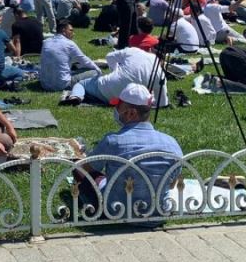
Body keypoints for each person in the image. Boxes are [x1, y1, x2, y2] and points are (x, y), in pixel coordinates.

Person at [76, 84, 182, 219]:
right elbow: (173, 182)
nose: (115, 110)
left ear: (132, 113)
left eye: (119, 106)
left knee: (78, 171)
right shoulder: (171, 143)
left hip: (117, 212)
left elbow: (84, 168)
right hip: (158, 214)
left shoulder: (113, 141)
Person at [67, 47, 169, 107]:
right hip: (129, 101)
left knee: (81, 83)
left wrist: (114, 71)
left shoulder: (134, 50)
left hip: (106, 88)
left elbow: (109, 56)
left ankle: (76, 96)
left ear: (150, 50)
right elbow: (162, 103)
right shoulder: (161, 75)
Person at [39, 20, 101, 91]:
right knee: (94, 72)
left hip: (44, 84)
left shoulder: (46, 42)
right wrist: (98, 70)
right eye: (71, 30)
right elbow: (84, 60)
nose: (73, 33)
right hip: (62, 85)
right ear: (64, 30)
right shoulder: (69, 44)